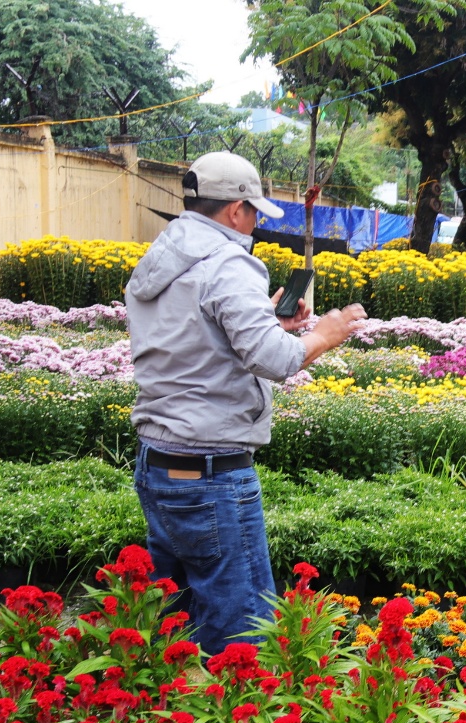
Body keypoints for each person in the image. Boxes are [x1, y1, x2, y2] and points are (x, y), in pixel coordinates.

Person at [125, 151, 365, 654]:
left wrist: (270, 326)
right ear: (235, 210)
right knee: (243, 633)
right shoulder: (228, 262)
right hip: (210, 473)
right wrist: (326, 333)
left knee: (173, 622)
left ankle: (174, 721)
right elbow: (276, 360)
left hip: (159, 465)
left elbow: (193, 343)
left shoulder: (163, 256)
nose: (255, 223)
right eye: (253, 211)